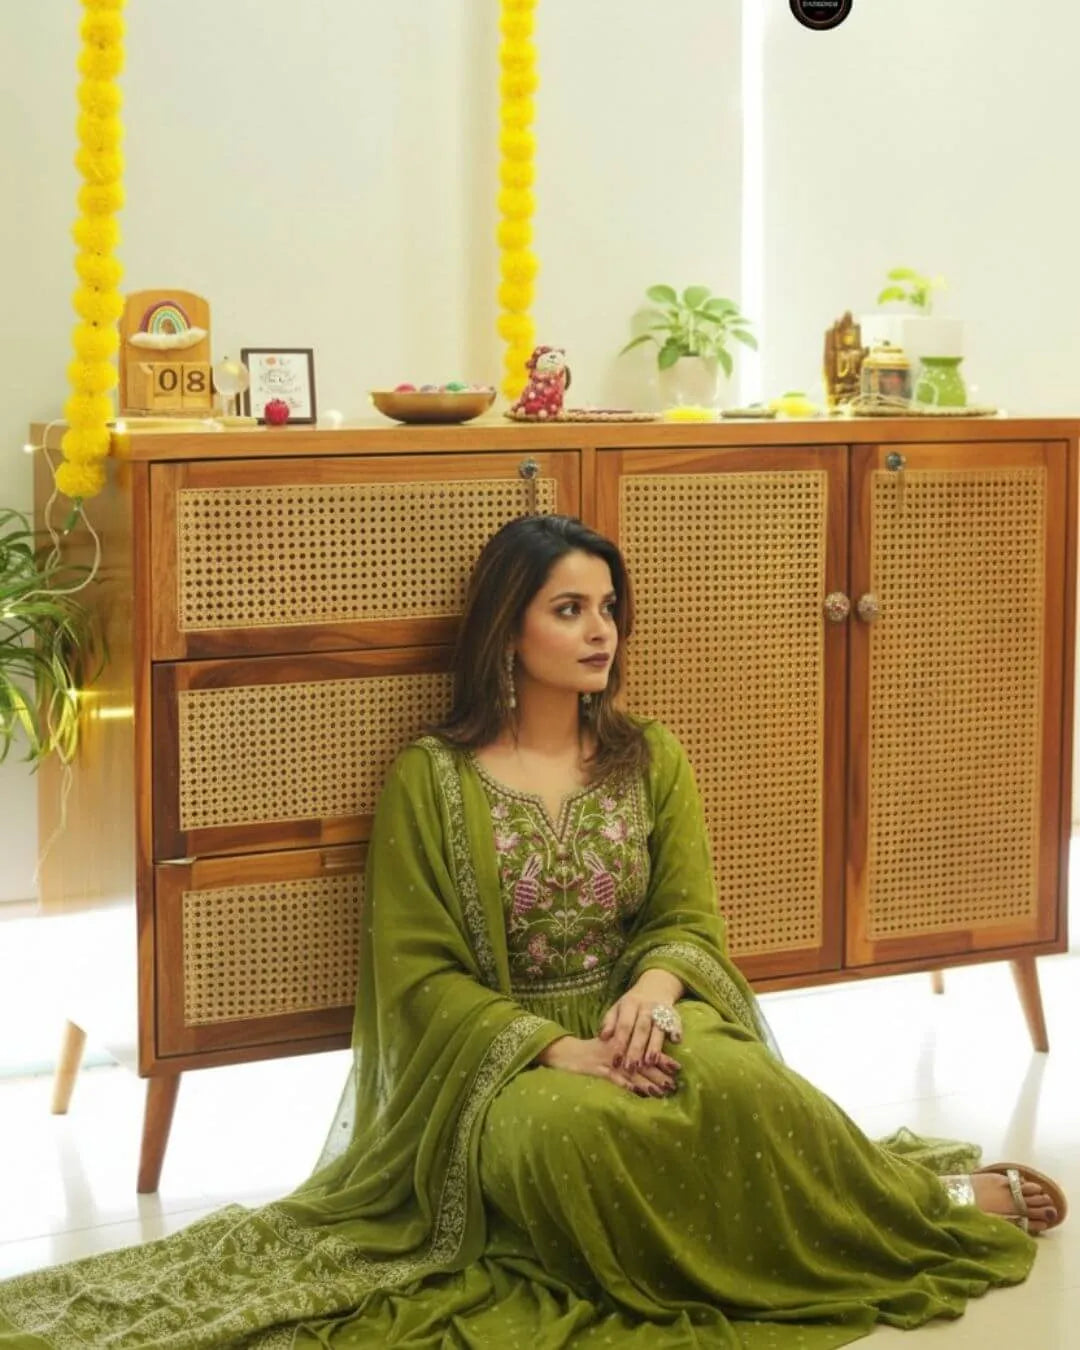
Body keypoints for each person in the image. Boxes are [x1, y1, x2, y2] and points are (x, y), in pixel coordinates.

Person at [0, 513, 1066, 1349]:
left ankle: (911, 1203)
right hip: (504, 1064)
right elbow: (417, 976)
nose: (600, 630)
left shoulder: (651, 758)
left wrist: (650, 1001)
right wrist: (560, 1048)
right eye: (568, 609)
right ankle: (818, 1226)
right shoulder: (434, 778)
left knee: (752, 1093)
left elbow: (689, 917)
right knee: (572, 1137)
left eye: (609, 606)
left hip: (646, 1019)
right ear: (507, 626)